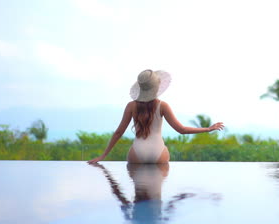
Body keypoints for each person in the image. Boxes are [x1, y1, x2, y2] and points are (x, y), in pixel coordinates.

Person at [88, 69, 224, 164]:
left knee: (138, 193)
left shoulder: (131, 106)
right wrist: (207, 129)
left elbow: (118, 132)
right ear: (157, 86)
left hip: (137, 152)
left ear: (141, 88)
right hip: (158, 152)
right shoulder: (163, 106)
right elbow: (181, 129)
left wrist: (103, 155)